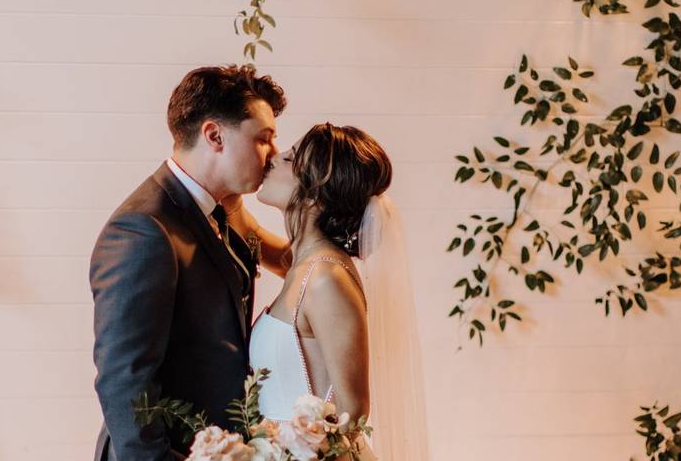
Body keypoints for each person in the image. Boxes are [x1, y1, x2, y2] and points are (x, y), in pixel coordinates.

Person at [89, 64, 286, 460]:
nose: (274, 155)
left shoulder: (221, 208)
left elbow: (287, 261)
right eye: (263, 139)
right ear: (214, 135)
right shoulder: (143, 230)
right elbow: (124, 381)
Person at [236, 123, 430, 459]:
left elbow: (352, 411)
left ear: (314, 193)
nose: (272, 158)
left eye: (289, 158)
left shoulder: (326, 278)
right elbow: (244, 226)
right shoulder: (301, 264)